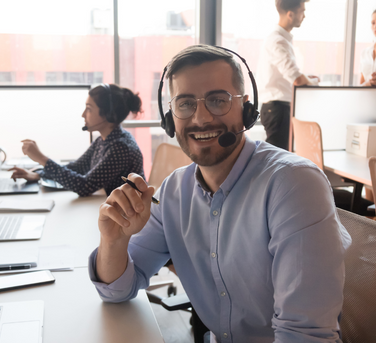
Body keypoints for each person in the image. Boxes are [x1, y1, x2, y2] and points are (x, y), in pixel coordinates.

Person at [88, 45, 351, 342]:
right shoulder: (174, 192)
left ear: (247, 109)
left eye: (217, 100)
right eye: (185, 104)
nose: (201, 118)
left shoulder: (294, 185)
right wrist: (114, 240)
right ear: (169, 118)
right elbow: (117, 290)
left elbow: (304, 336)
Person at [9, 84, 145, 197]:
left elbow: (84, 186)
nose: (83, 114)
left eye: (89, 109)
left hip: (127, 218)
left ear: (108, 114)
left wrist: (41, 159)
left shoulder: (120, 148)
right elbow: (77, 167)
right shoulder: (104, 141)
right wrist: (38, 175)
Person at [257, 0, 320, 150]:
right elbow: (297, 79)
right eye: (302, 11)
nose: (304, 16)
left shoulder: (282, 39)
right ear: (290, 14)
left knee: (279, 158)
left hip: (278, 108)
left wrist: (307, 79)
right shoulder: (278, 41)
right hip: (277, 109)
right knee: (276, 162)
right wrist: (314, 82)